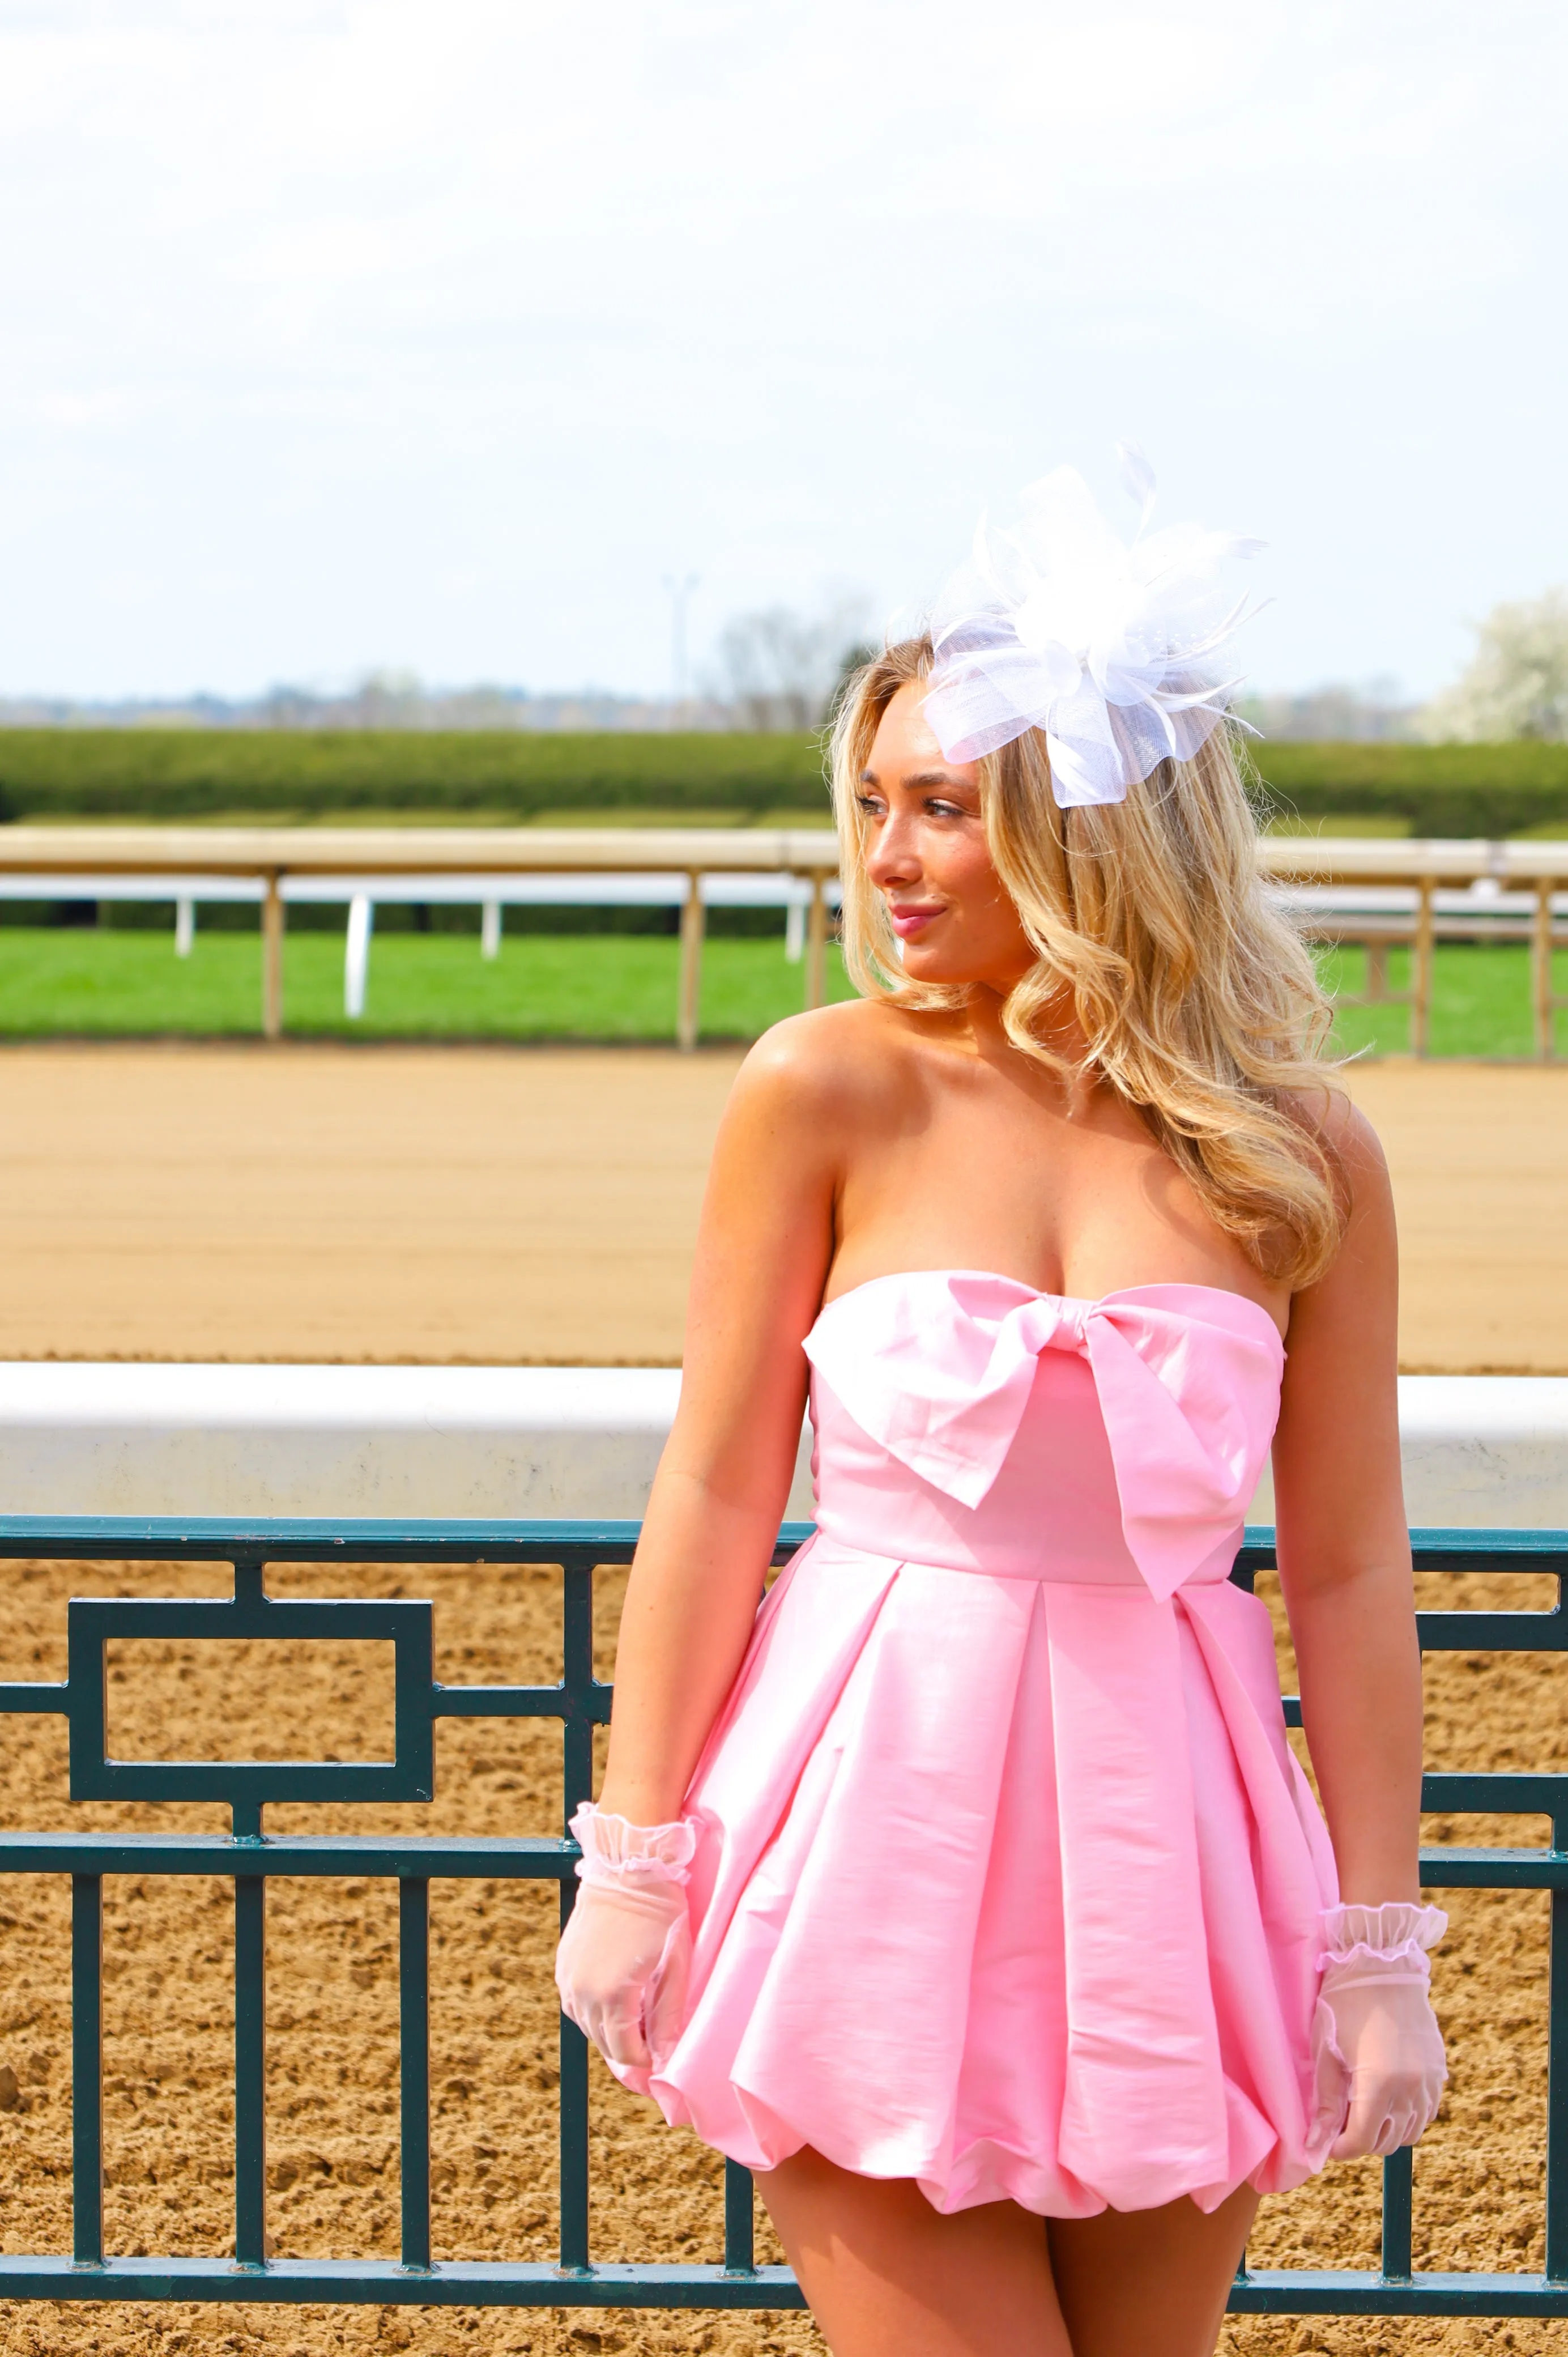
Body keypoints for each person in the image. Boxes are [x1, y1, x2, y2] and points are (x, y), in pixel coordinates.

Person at [555, 452, 1447, 2357]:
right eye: (870, 803)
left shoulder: (1302, 1157)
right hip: (871, 1820)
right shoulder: (820, 1088)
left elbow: (1356, 1572)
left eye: (942, 808)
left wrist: (1382, 1952)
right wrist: (632, 1864)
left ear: (1092, 832)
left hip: (1174, 1855)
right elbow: (715, 1492)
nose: (883, 856)